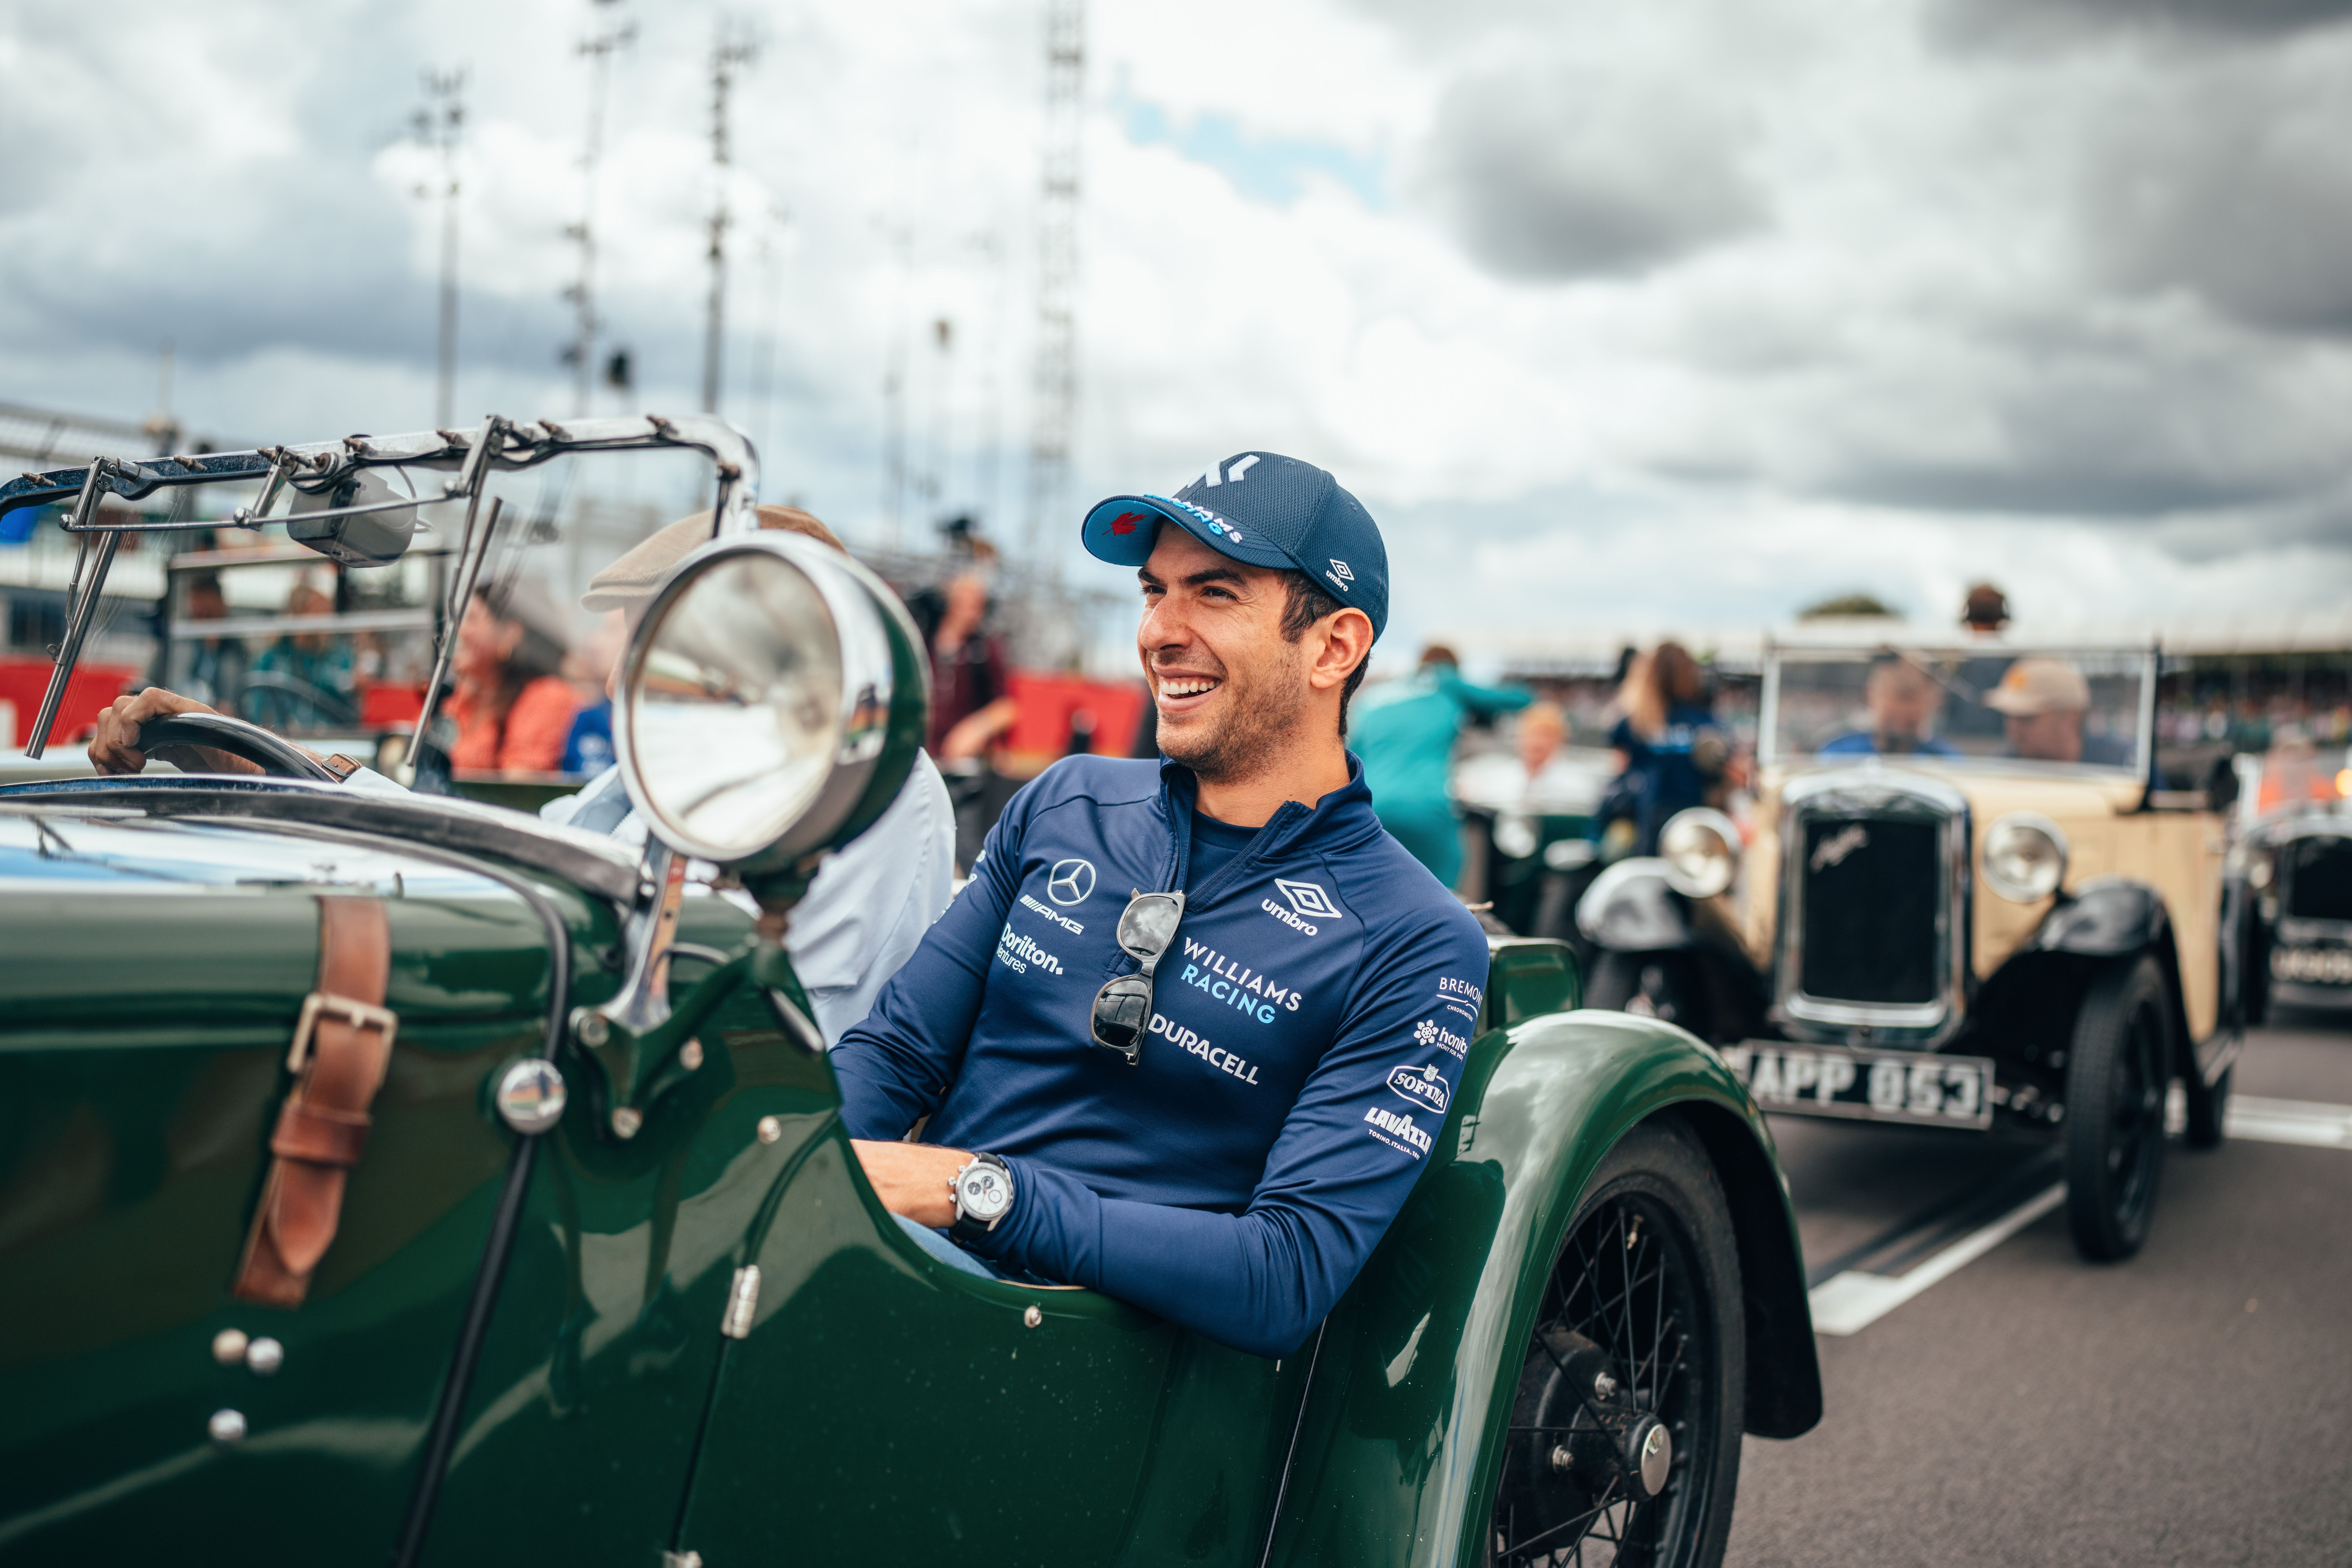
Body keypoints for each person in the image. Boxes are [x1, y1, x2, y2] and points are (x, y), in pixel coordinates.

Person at [832, 450, 1490, 1360]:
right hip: (901, 1273)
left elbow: (1285, 1274)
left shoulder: (1415, 939)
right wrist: (790, 1169)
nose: (1159, 632)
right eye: (1154, 590)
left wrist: (977, 1189)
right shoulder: (1066, 800)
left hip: (1090, 1359)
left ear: (1333, 646)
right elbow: (895, 1050)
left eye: (1214, 594)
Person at [90, 502, 957, 1046]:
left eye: (661, 631)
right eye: (641, 636)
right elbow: (535, 850)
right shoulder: (674, 773)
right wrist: (280, 771)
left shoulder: (866, 782)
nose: (622, 671)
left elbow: (753, 999)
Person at [545, 503, 958, 1042]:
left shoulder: (872, 780)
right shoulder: (707, 755)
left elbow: (737, 986)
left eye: (660, 643)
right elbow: (572, 837)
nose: (616, 681)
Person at [1349, 644, 1531, 889]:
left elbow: (1353, 757)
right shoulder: (1445, 683)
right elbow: (1521, 699)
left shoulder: (1374, 697)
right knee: (1442, 894)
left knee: (1377, 891)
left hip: (1370, 807)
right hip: (1425, 806)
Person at [1595, 642, 1725, 857]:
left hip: (1649, 817)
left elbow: (1619, 762)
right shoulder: (1702, 720)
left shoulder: (1636, 720)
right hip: (1690, 818)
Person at [444, 576, 577, 776]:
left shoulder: (547, 697)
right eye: (458, 619)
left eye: (471, 619)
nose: (458, 631)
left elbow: (517, 786)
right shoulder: (467, 697)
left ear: (511, 633)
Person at [1820, 651, 1960, 758]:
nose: (1899, 732)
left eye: (1911, 724)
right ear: (1869, 695)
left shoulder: (1943, 760)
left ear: (1935, 706)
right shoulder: (1839, 753)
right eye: (1890, 721)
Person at [1985, 657, 2110, 764]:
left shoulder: (2118, 767)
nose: (2014, 729)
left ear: (2071, 718)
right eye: (2009, 716)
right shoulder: (2001, 767)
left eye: (2026, 718)